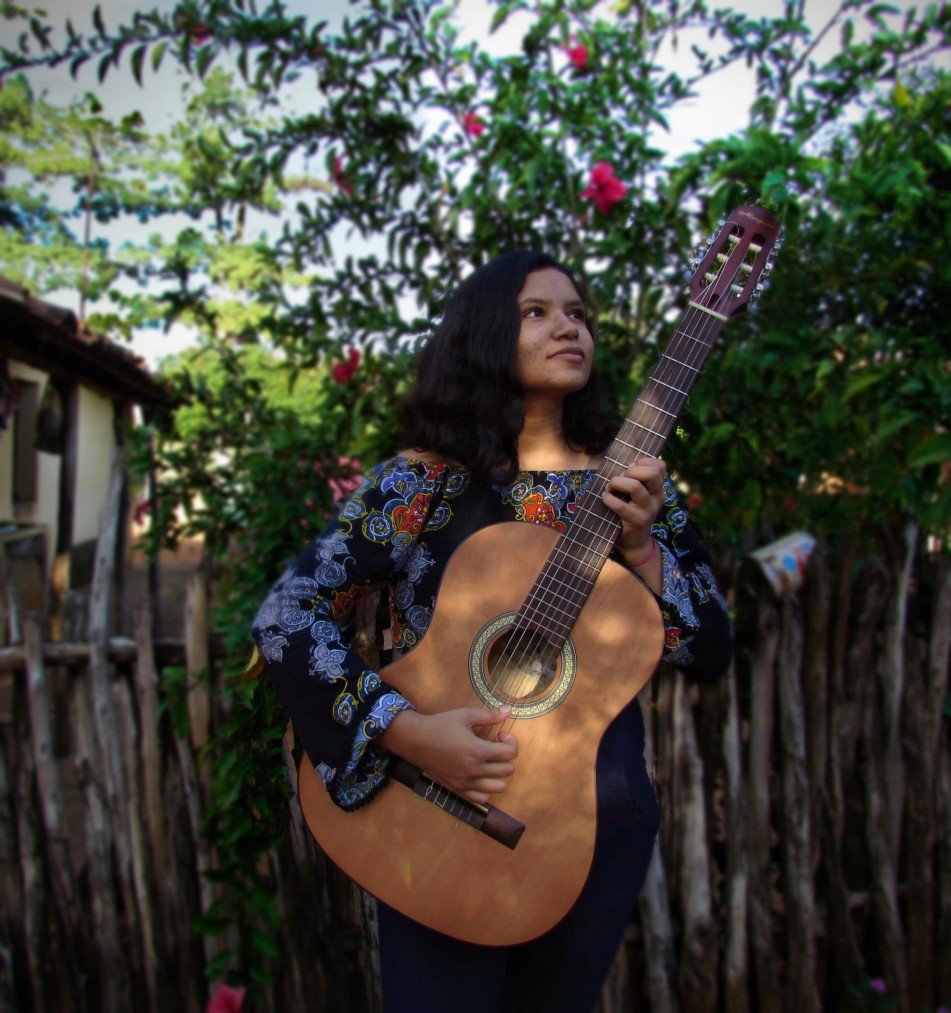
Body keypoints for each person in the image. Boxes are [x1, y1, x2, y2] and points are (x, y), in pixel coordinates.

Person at [252, 251, 733, 1012]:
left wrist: (642, 547)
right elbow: (285, 613)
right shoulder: (423, 483)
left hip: (593, 818)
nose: (566, 325)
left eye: (576, 312)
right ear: (482, 334)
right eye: (535, 311)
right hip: (434, 798)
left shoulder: (633, 488)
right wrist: (405, 730)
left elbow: (708, 651)